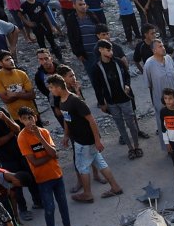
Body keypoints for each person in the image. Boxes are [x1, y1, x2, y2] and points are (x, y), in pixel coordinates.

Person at [47, 75, 123, 203]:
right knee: (100, 162)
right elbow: (67, 119)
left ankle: (87, 194)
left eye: (51, 87)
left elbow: (91, 120)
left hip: (84, 140)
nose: (50, 90)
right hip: (80, 139)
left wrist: (97, 140)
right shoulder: (62, 101)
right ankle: (115, 187)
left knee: (82, 167)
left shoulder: (75, 101)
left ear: (59, 87)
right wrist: (66, 135)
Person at [15, 107, 77, 226]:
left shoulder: (43, 132)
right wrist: (51, 155)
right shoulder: (22, 137)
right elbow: (35, 162)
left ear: (35, 117)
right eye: (25, 119)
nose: (29, 122)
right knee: (49, 209)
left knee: (63, 205)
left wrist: (40, 138)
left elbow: (53, 153)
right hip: (43, 179)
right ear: (20, 120)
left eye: (30, 118)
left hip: (56, 175)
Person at [89, 42, 141, 160]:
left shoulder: (118, 62)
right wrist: (101, 102)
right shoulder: (96, 67)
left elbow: (127, 76)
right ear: (101, 50)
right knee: (120, 125)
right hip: (111, 102)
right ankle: (130, 148)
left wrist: (127, 85)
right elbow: (97, 87)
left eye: (111, 49)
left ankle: (137, 146)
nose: (110, 52)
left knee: (131, 123)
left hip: (124, 98)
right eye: (108, 50)